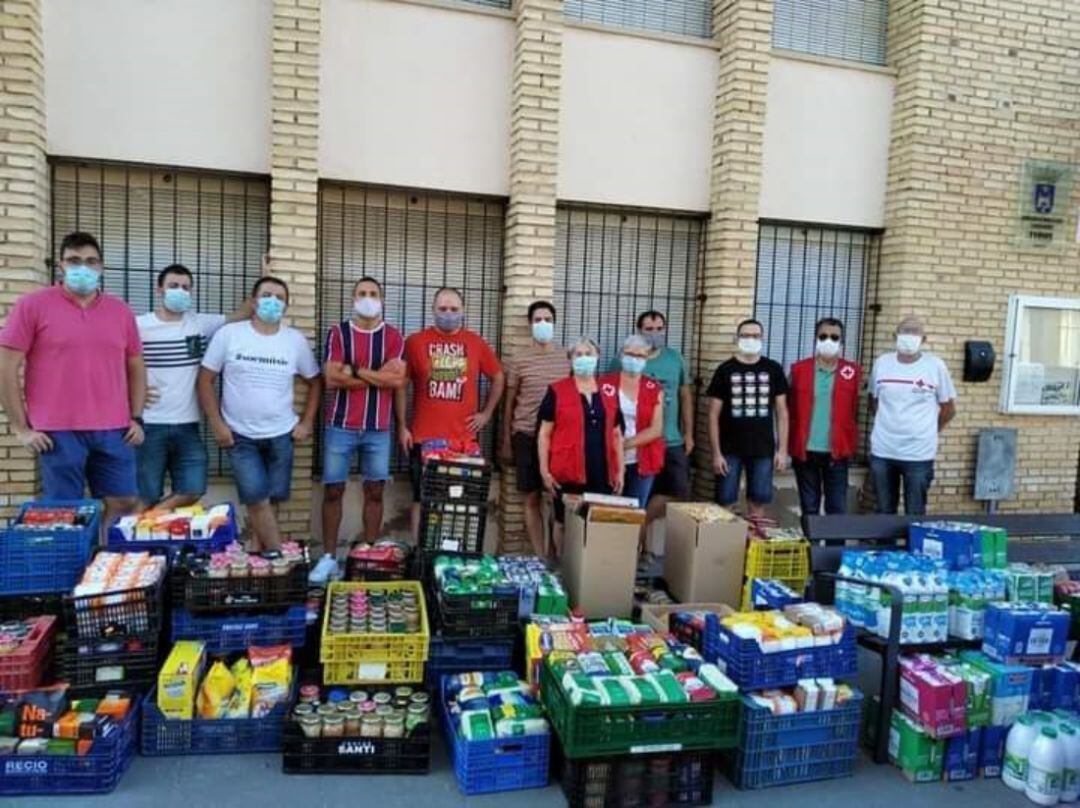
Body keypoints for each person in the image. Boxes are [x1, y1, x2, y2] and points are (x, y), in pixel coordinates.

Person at [0, 231, 146, 533]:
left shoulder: (120, 311)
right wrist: (21, 428)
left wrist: (136, 417)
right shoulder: (33, 305)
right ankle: (71, 571)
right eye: (74, 260)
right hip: (56, 430)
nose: (83, 268)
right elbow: (6, 365)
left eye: (91, 261)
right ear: (61, 266)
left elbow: (135, 365)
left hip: (114, 429)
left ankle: (102, 568)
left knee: (124, 502)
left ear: (102, 267)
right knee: (63, 512)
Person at [197, 276, 323, 550]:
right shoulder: (230, 335)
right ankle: (279, 559)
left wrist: (307, 422)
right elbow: (204, 380)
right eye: (267, 295)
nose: (273, 301)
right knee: (257, 499)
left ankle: (259, 555)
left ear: (287, 306)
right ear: (253, 302)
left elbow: (315, 381)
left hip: (282, 435)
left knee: (272, 500)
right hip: (239, 436)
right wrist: (217, 424)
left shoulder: (294, 341)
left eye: (280, 297)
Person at [136, 263, 257, 510]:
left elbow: (240, 315)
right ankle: (138, 541)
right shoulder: (139, 325)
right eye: (173, 286)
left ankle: (148, 520)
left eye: (185, 287)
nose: (180, 291)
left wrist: (265, 276)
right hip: (149, 425)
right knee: (145, 494)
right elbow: (114, 363)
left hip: (188, 425)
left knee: (193, 488)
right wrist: (129, 394)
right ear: (159, 289)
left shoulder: (199, 324)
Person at [395, 287, 505, 539]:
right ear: (433, 310)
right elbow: (400, 386)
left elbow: (498, 376)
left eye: (454, 309)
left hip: (463, 442)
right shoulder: (414, 342)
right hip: (424, 440)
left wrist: (486, 414)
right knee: (421, 500)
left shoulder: (475, 342)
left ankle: (452, 556)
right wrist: (402, 426)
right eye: (443, 309)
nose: (448, 314)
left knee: (461, 503)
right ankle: (421, 554)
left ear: (463, 311)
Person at [317, 276, 406, 582]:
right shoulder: (339, 333)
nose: (367, 298)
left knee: (375, 491)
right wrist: (376, 376)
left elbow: (397, 381)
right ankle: (329, 558)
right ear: (353, 299)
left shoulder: (394, 336)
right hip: (339, 426)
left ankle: (369, 555)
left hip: (378, 428)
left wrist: (353, 371)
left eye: (373, 294)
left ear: (382, 300)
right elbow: (330, 378)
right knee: (333, 490)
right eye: (361, 294)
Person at [537, 338, 625, 557]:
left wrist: (621, 470)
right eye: (578, 354)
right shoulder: (557, 391)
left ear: (597, 358)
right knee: (563, 521)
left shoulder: (609, 391)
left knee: (595, 521)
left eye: (589, 353)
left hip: (601, 469)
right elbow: (544, 434)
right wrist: (544, 470)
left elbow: (617, 434)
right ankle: (563, 566)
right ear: (570, 359)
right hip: (567, 469)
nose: (584, 358)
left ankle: (588, 570)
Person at [500, 301, 570, 557]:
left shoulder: (567, 357)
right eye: (538, 320)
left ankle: (556, 553)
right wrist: (506, 440)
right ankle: (540, 557)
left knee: (554, 498)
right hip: (526, 435)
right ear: (530, 324)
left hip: (559, 439)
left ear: (555, 322)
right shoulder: (519, 359)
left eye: (548, 319)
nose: (543, 324)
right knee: (531, 498)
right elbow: (509, 401)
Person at [869, 316, 957, 515]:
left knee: (915, 512)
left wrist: (931, 431)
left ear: (924, 339)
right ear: (895, 336)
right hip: (883, 451)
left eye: (915, 332)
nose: (909, 336)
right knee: (884, 510)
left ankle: (913, 547)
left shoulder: (935, 366)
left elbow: (949, 408)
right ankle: (885, 546)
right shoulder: (882, 363)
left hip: (918, 453)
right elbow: (874, 401)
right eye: (905, 331)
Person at [707, 318, 789, 521]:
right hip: (729, 450)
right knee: (725, 501)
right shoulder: (724, 370)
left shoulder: (773, 369)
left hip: (763, 449)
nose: (751, 339)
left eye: (755, 335)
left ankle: (753, 547)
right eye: (745, 335)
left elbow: (782, 412)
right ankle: (725, 547)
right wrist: (716, 453)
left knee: (758, 501)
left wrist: (782, 450)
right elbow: (712, 415)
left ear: (763, 338)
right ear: (737, 339)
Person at [628, 310, 695, 541]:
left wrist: (689, 433)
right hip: (640, 442)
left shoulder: (675, 358)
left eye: (659, 329)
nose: (655, 334)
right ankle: (639, 548)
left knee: (678, 492)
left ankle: (643, 521)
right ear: (639, 330)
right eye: (649, 329)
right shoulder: (627, 359)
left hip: (671, 439)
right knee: (636, 496)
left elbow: (685, 396)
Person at [787, 317, 862, 516]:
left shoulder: (852, 372)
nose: (828, 340)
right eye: (823, 336)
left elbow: (857, 407)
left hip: (837, 451)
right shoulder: (799, 369)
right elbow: (788, 405)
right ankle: (812, 547)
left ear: (841, 341)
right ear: (816, 339)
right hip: (805, 449)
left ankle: (834, 548)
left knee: (836, 507)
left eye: (834, 337)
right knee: (809, 507)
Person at [607, 335, 665, 509]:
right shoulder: (605, 384)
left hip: (642, 460)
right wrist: (615, 447)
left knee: (635, 512)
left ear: (646, 358)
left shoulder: (653, 388)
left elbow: (656, 429)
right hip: (609, 459)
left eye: (640, 356)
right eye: (630, 354)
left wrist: (624, 444)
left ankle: (634, 538)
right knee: (606, 512)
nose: (634, 359)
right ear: (621, 355)